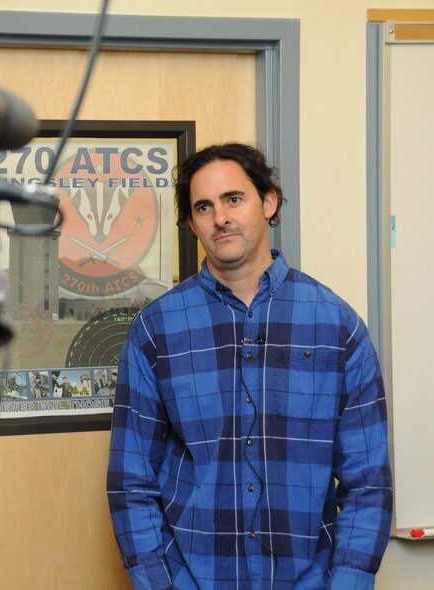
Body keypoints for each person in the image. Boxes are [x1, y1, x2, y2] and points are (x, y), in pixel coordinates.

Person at [106, 143, 392, 589]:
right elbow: (131, 482)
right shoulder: (155, 331)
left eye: (233, 199)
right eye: (204, 206)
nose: (220, 217)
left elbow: (368, 482)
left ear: (269, 202)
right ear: (191, 225)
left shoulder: (337, 326)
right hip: (195, 579)